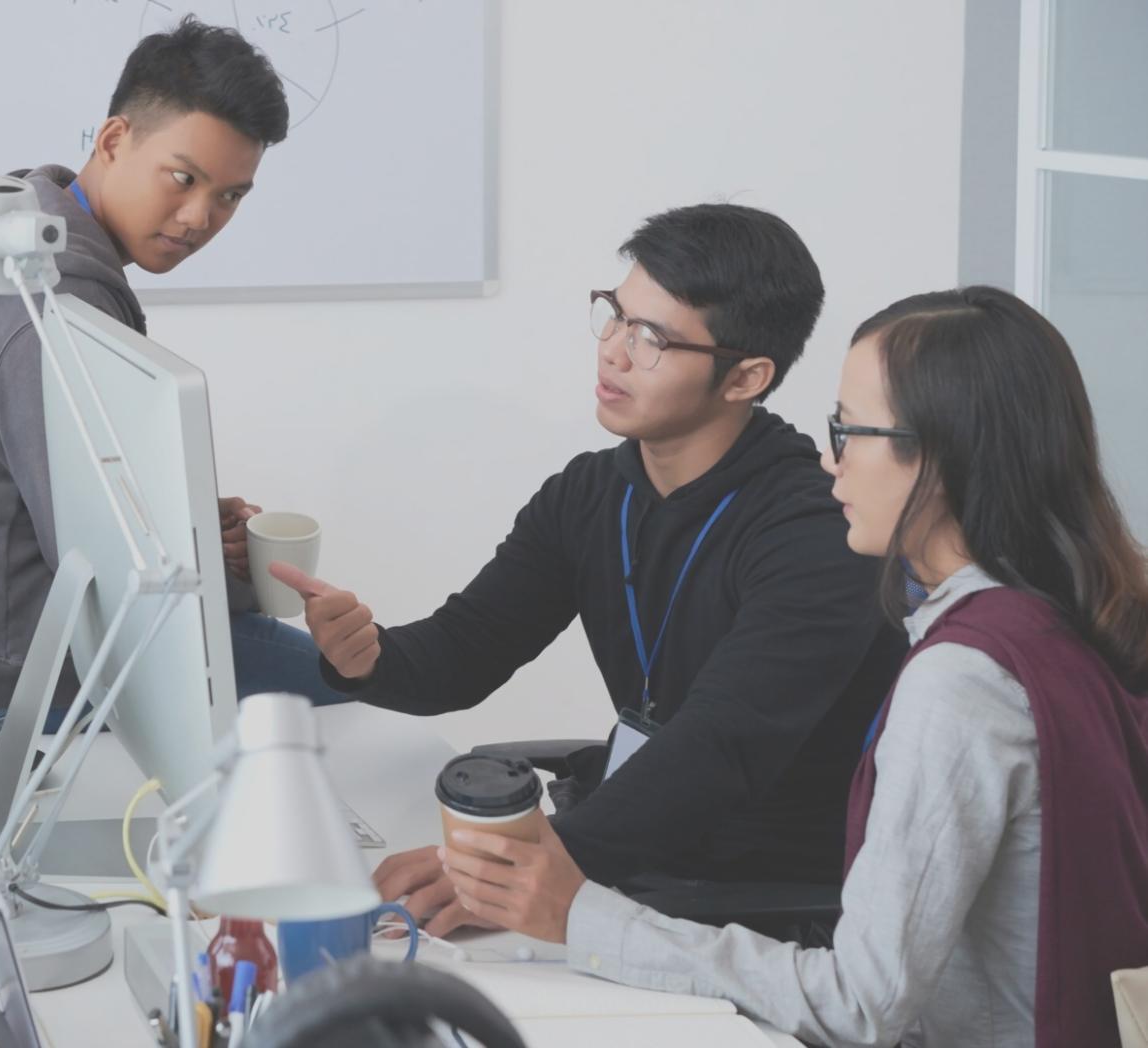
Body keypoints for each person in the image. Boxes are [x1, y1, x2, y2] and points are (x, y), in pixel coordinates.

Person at [439, 286, 1148, 1048]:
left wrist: (584, 915)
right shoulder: (1065, 611)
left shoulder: (964, 681)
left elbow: (860, 1005)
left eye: (848, 430)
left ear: (939, 457)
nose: (826, 458)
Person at [272, 203, 905, 937]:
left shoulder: (816, 532)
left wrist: (534, 866)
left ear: (746, 378)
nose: (613, 351)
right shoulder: (589, 494)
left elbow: (722, 747)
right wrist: (370, 655)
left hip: (760, 899)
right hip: (643, 856)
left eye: (653, 339)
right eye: (615, 315)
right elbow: (463, 653)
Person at [0, 18, 342, 724]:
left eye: (230, 196)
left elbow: (71, 502)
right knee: (353, 685)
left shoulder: (25, 228)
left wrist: (188, 525)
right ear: (115, 140)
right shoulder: (49, 295)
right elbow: (115, 575)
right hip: (6, 679)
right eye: (184, 179)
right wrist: (231, 571)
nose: (198, 217)